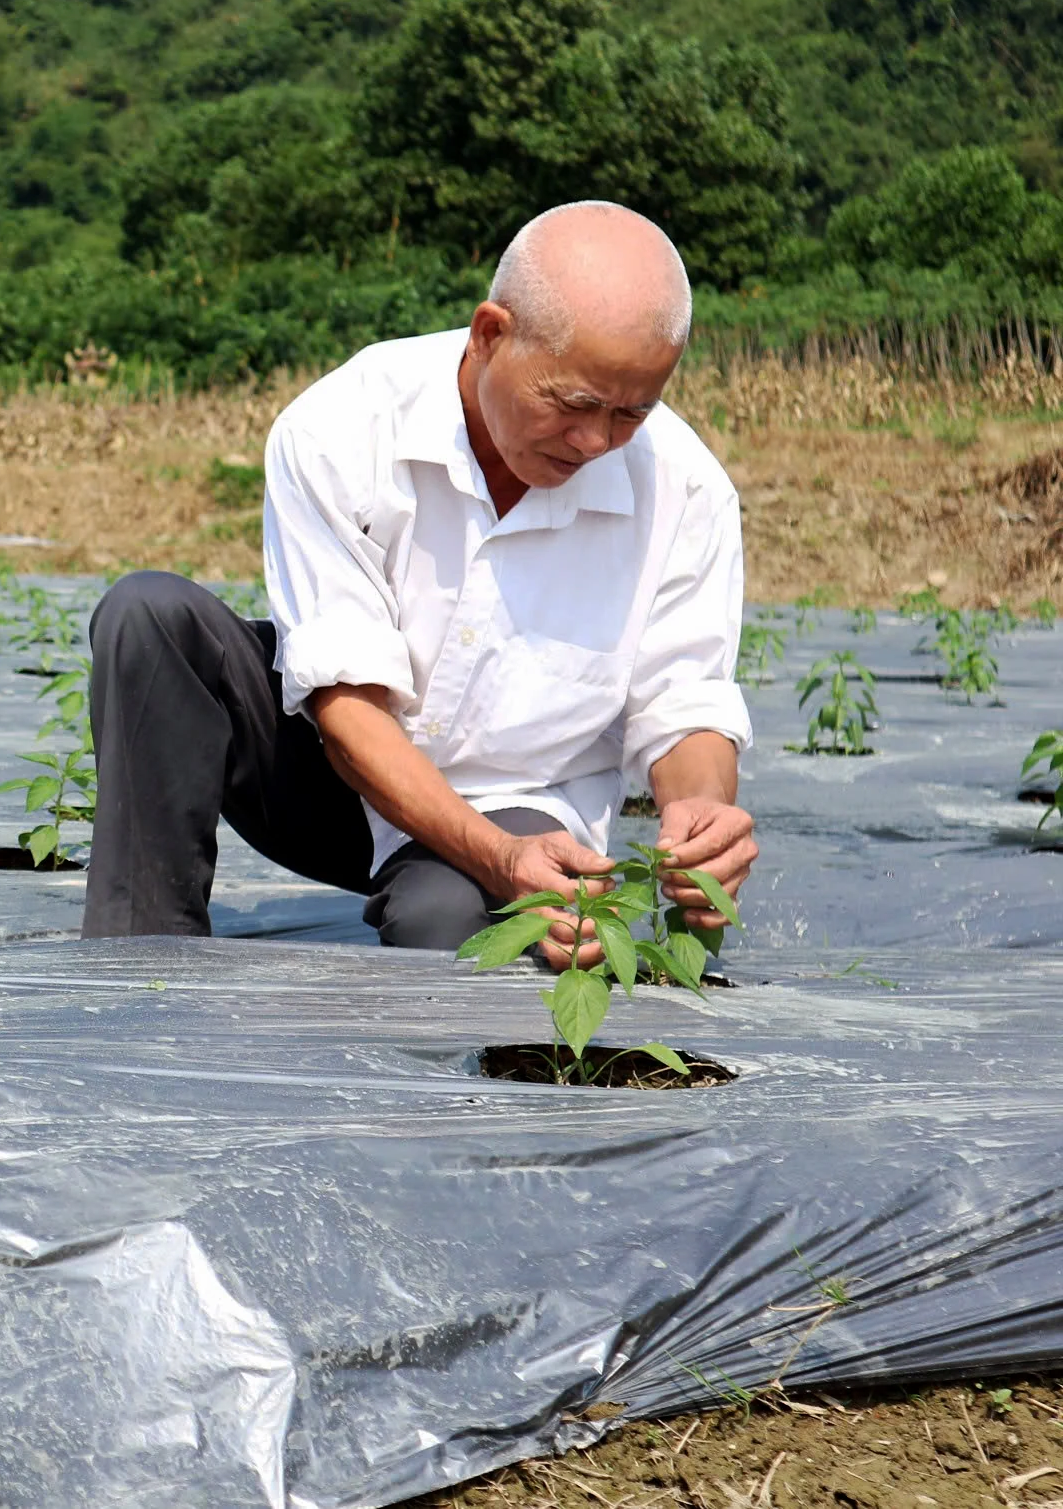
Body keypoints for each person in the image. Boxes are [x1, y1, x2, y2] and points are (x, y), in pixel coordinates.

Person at [82, 201, 757, 966]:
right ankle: (137, 968)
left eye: (632, 412)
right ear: (490, 334)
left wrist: (699, 811)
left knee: (449, 934)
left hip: (518, 806)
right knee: (150, 617)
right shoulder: (344, 427)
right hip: (327, 771)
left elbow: (685, 702)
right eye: (572, 404)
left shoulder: (684, 487)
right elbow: (347, 705)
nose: (596, 440)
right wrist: (497, 859)